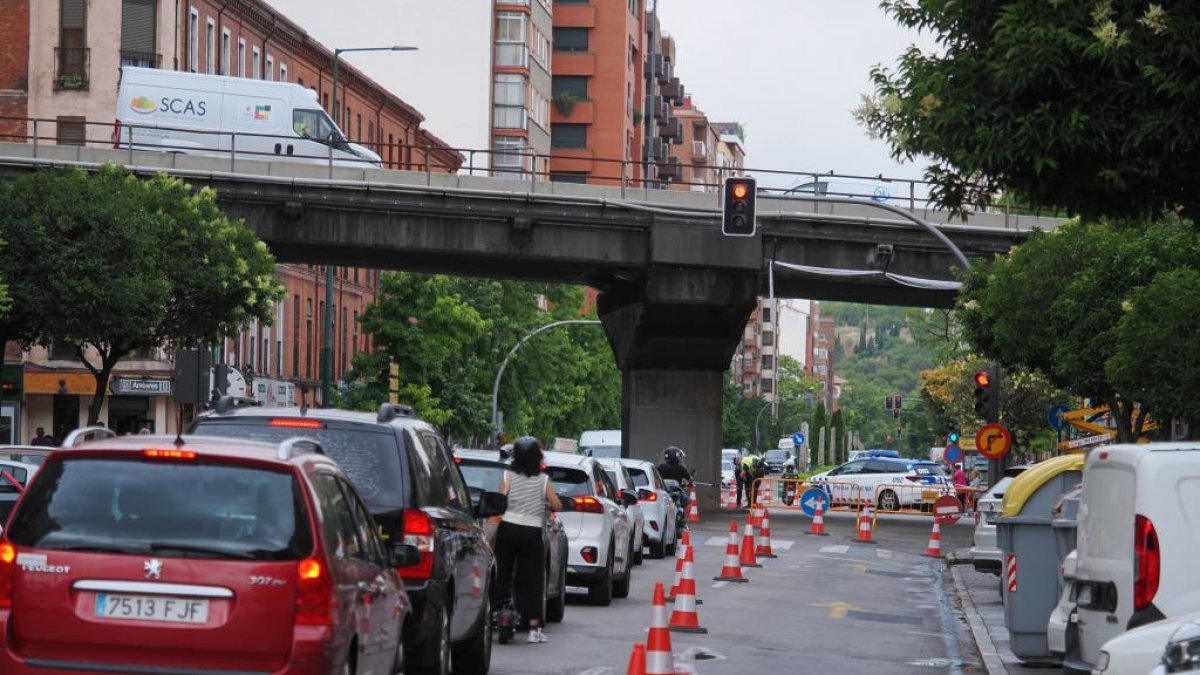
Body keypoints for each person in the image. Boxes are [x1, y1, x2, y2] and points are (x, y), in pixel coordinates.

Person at [493, 436, 563, 644]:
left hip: (508, 528)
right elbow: (557, 505)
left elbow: (500, 500)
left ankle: (495, 613)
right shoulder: (543, 480)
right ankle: (534, 629)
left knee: (502, 574)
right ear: (537, 457)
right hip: (532, 532)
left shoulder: (508, 476)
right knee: (532, 580)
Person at [658, 446, 692, 511]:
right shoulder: (681, 468)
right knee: (688, 501)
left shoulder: (661, 467)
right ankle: (684, 519)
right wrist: (689, 483)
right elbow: (689, 479)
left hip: (664, 492)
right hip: (676, 492)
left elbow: (655, 478)